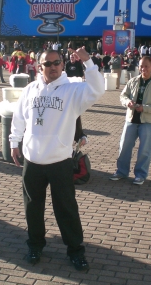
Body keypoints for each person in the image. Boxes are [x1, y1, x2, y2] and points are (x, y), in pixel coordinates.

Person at [9, 48, 104, 271]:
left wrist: (88, 62)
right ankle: (35, 245)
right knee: (33, 208)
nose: (53, 67)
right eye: (47, 63)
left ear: (62, 65)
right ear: (39, 67)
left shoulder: (73, 90)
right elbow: (19, 117)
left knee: (66, 209)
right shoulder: (30, 89)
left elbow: (98, 89)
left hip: (60, 161)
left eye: (56, 62)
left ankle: (75, 251)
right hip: (32, 161)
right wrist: (14, 142)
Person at [109, 56, 151, 185]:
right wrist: (127, 102)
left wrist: (145, 108)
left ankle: (140, 175)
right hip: (131, 119)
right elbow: (123, 95)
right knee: (124, 146)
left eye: (146, 66)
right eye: (141, 66)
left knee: (145, 149)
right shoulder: (133, 81)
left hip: (147, 121)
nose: (143, 68)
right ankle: (121, 172)